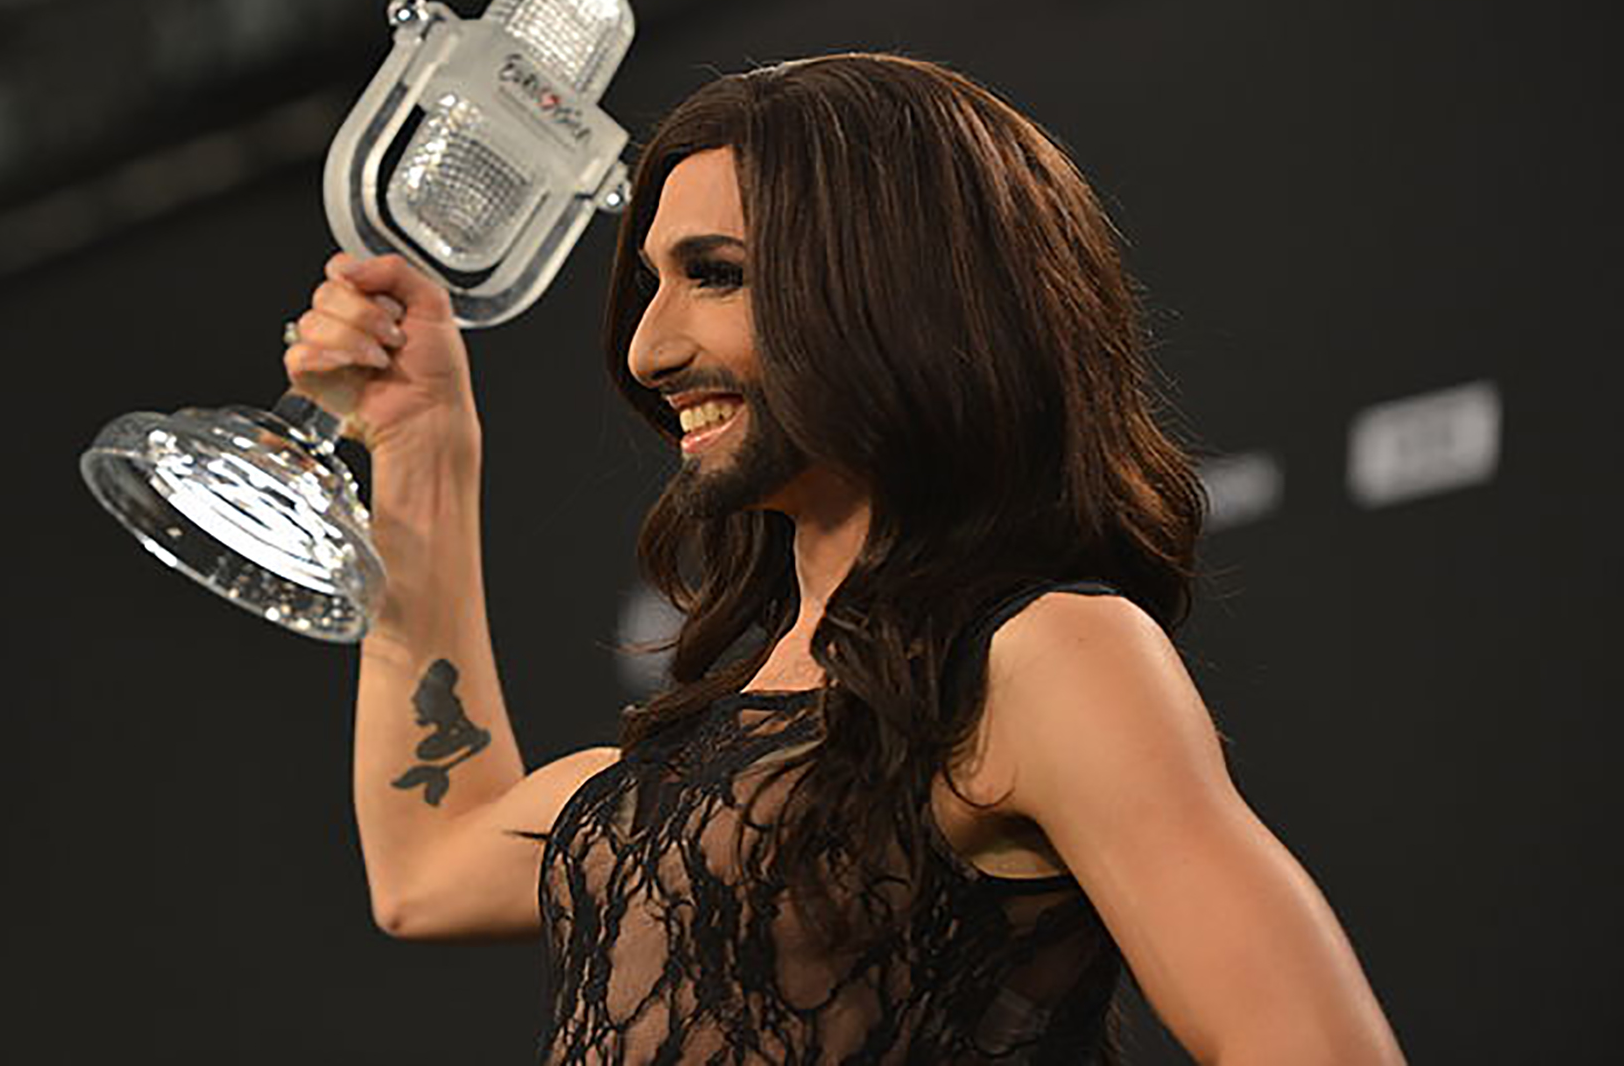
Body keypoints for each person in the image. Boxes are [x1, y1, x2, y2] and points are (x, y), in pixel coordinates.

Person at [282, 53, 1404, 1065]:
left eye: (715, 273)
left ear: (890, 291)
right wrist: (420, 447)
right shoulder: (697, 756)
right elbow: (427, 868)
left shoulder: (1043, 658)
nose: (648, 346)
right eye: (651, 282)